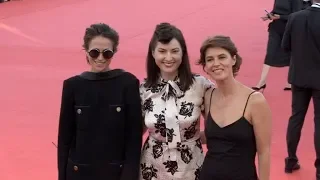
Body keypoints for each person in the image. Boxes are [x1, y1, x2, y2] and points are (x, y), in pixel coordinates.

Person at [57, 23, 143, 180]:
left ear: (114, 52)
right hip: (79, 174)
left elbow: (133, 140)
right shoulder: (72, 86)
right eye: (95, 52)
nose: (100, 58)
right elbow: (64, 140)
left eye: (107, 53)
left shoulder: (128, 84)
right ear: (86, 51)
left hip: (115, 174)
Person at [139, 22, 213, 180]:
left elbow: (219, 127)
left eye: (174, 51)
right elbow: (135, 132)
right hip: (152, 167)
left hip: (191, 166)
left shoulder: (201, 85)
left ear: (183, 53)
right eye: (162, 51)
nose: (168, 57)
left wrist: (193, 137)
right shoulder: (143, 89)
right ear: (153, 53)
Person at [198, 36, 272, 180]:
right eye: (210, 59)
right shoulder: (208, 97)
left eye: (222, 57)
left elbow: (264, 151)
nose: (216, 63)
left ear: (233, 59)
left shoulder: (255, 101)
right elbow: (216, 136)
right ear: (205, 66)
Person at [282, 1, 320, 178]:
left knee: (296, 117)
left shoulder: (294, 17)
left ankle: (290, 160)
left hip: (298, 77)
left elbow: (285, 46)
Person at [252, 0, 302, 91]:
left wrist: (280, 17)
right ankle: (261, 82)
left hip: (289, 30)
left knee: (292, 54)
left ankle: (291, 82)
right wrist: (268, 16)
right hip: (275, 28)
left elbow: (296, 15)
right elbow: (275, 11)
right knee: (270, 53)